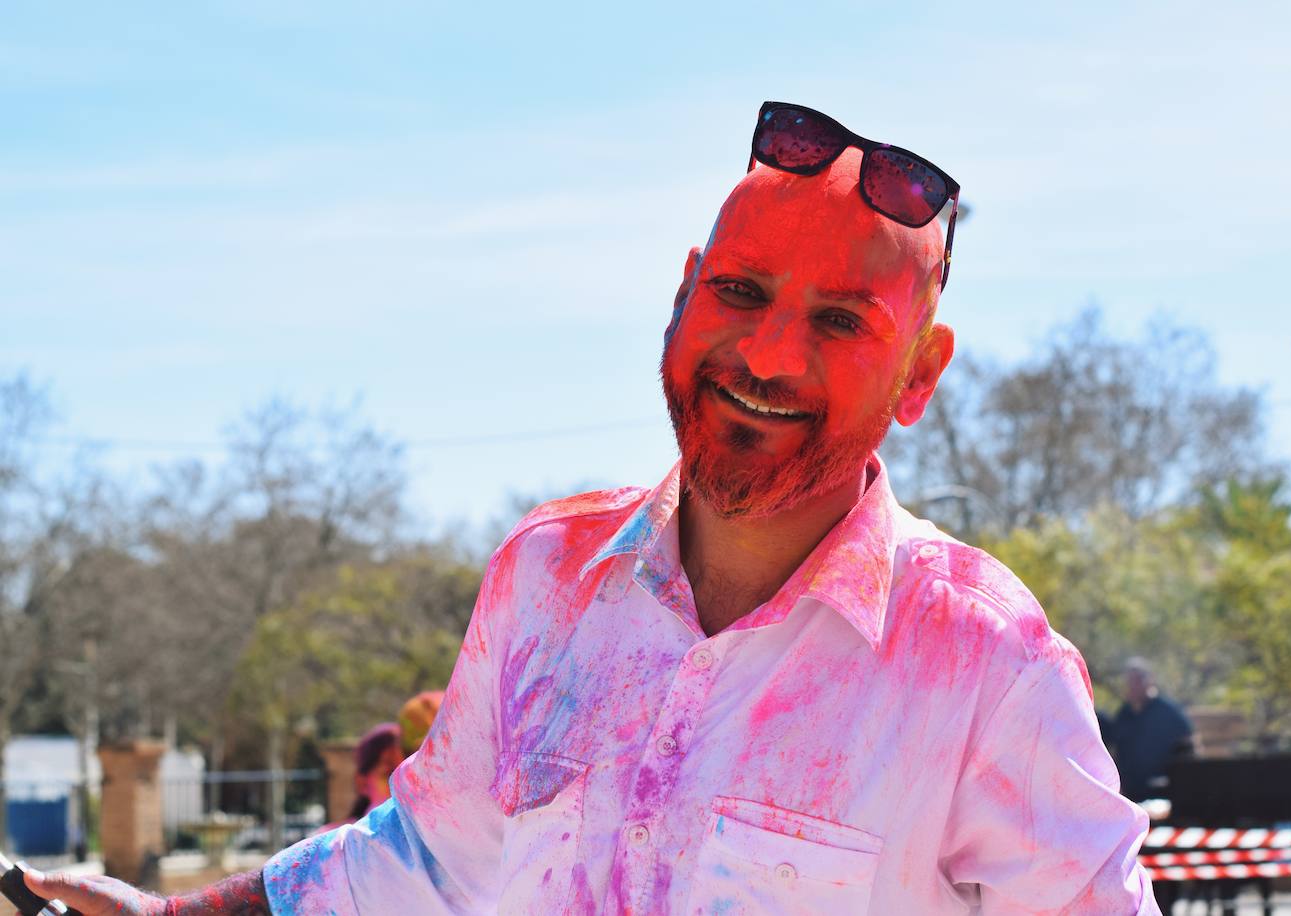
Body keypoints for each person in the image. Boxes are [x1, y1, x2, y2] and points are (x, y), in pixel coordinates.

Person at [24, 101, 1159, 914]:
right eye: (741, 291)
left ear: (919, 373)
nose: (766, 354)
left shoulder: (982, 662)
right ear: (681, 295)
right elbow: (422, 860)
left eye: (839, 321)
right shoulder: (544, 579)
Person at [1112, 657, 1196, 802]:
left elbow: (1188, 745)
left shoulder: (1167, 711)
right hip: (1131, 796)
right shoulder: (1124, 714)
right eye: (1130, 681)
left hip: (1162, 796)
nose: (1133, 686)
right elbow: (1116, 750)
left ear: (1149, 680)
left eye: (1138, 680)